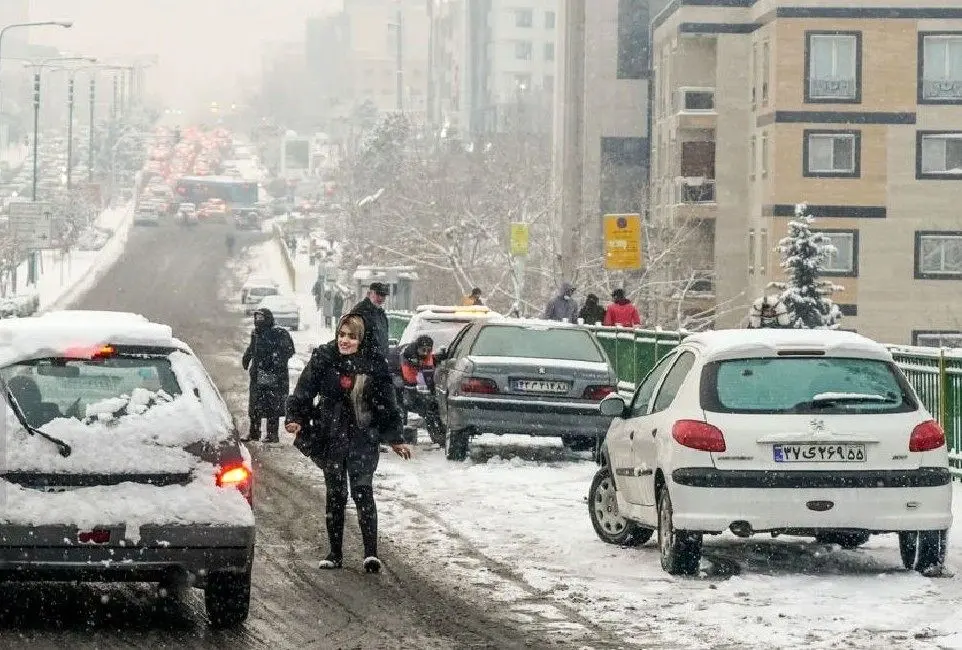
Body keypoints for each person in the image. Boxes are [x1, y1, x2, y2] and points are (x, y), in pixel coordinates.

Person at [285, 314, 412, 573]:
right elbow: (304, 390)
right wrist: (296, 418)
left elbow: (387, 403)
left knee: (363, 491)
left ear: (361, 339)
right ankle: (335, 553)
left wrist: (395, 438)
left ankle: (370, 554)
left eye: (352, 337)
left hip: (363, 437)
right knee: (336, 494)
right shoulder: (324, 358)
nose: (345, 341)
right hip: (330, 436)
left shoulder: (374, 363)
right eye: (342, 335)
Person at [241, 308, 295, 442]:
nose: (258, 321)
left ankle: (272, 434)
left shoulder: (279, 333)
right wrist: (246, 358)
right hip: (257, 374)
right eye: (256, 318)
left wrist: (274, 361)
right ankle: (254, 432)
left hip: (274, 376)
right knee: (255, 406)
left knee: (272, 405)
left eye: (261, 318)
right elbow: (252, 348)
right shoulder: (256, 333)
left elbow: (289, 350)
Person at [349, 282, 390, 357]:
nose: (381, 298)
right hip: (365, 362)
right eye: (378, 294)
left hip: (379, 362)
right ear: (369, 293)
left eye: (383, 295)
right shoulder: (360, 311)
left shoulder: (380, 313)